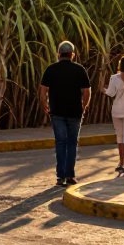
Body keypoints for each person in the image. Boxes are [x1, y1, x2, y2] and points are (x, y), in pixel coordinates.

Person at [39, 40, 91, 187]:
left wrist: (45, 106)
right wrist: (84, 106)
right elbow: (87, 91)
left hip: (57, 113)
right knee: (72, 143)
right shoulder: (79, 69)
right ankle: (70, 175)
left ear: (59, 54)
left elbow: (43, 91)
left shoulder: (51, 69)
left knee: (60, 143)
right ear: (72, 55)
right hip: (75, 112)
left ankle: (60, 177)